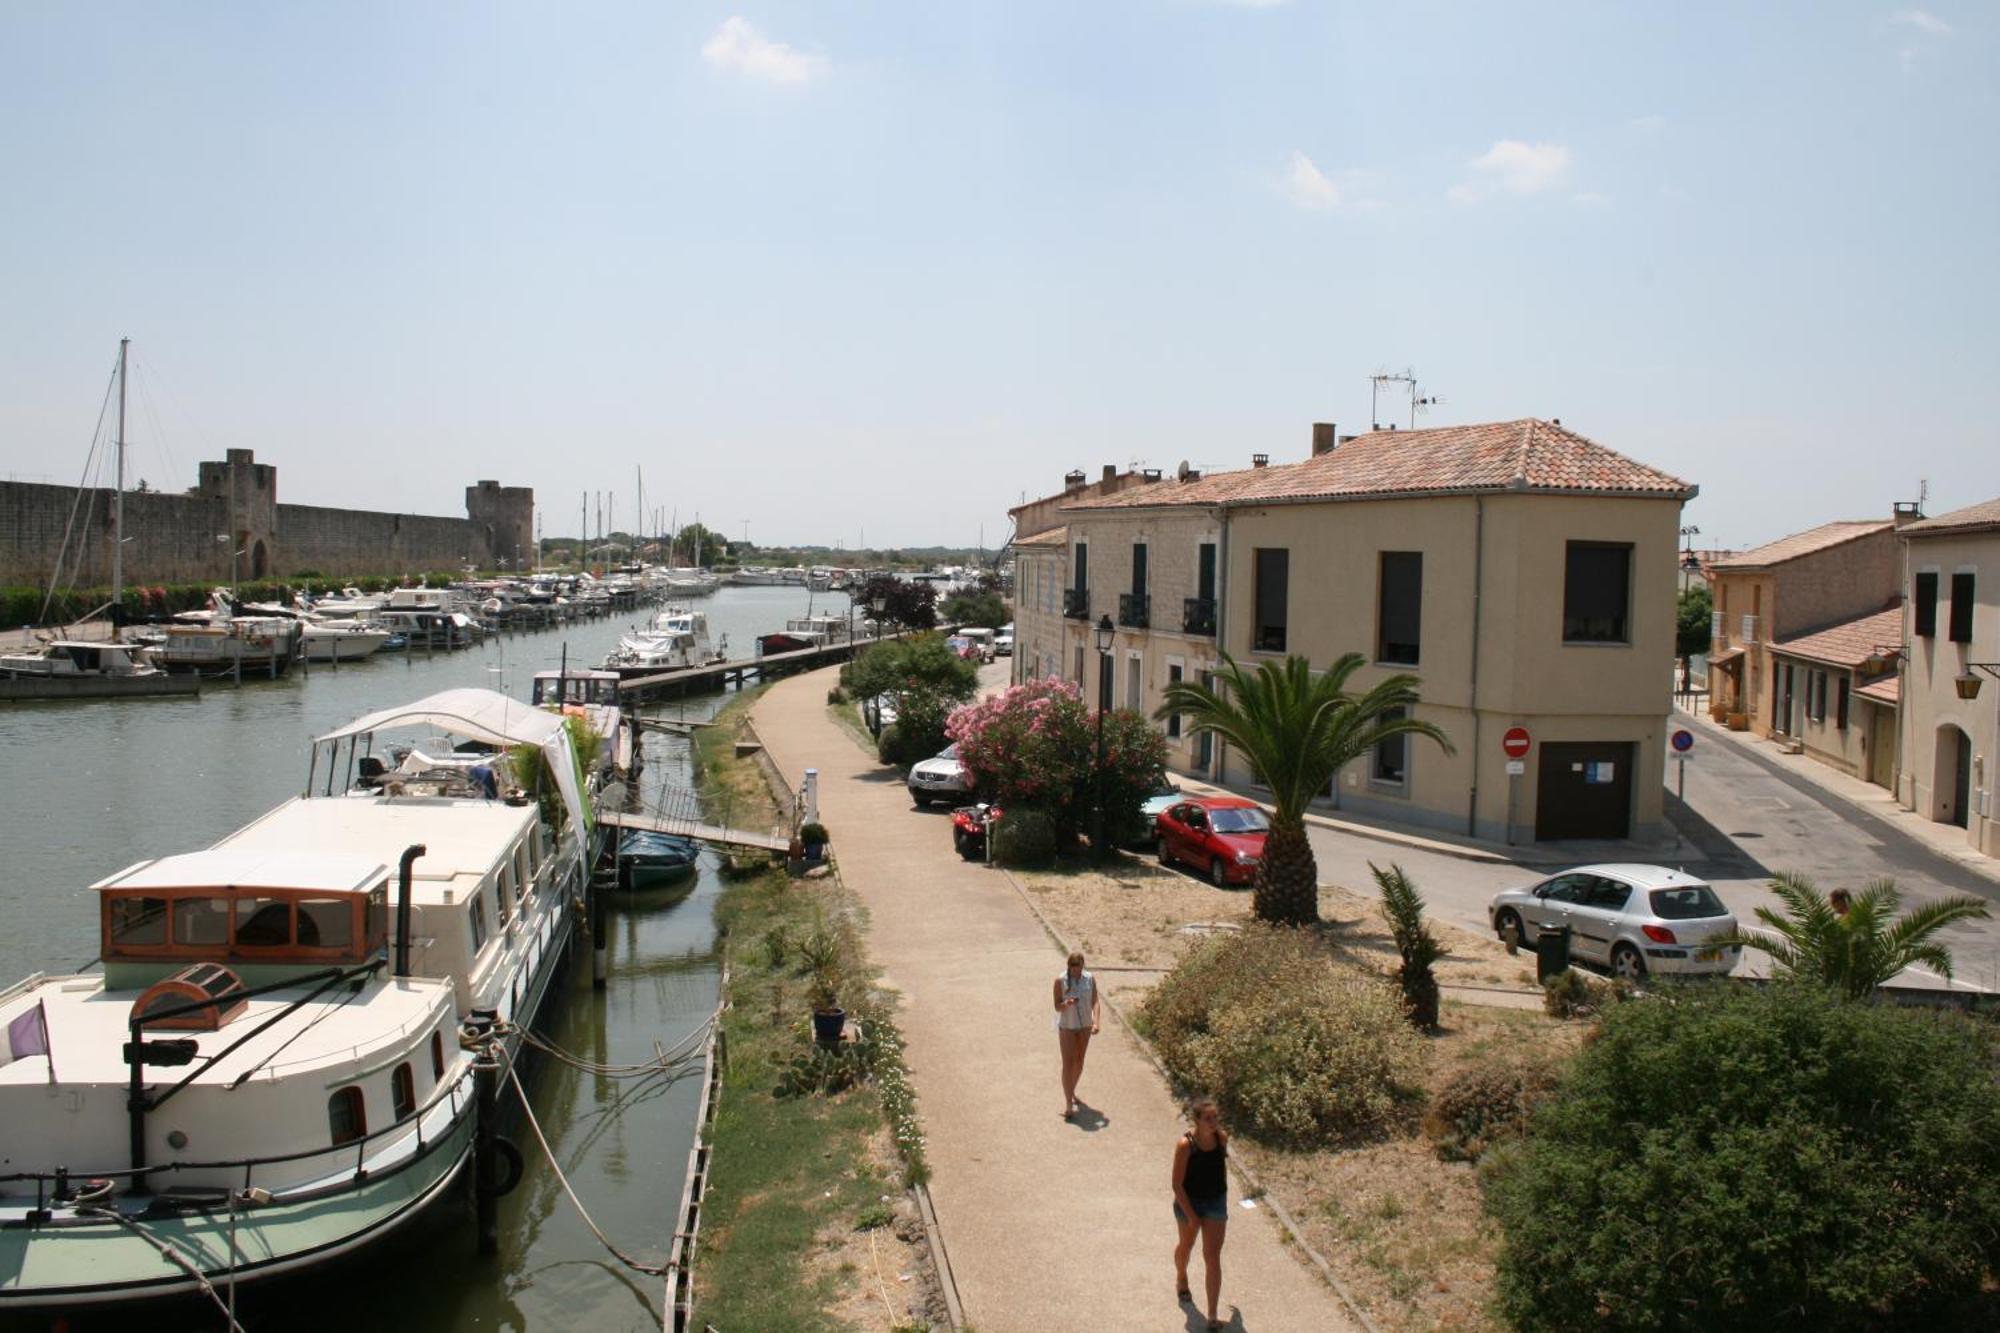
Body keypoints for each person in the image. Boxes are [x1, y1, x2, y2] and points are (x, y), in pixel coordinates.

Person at [1172, 1096, 1230, 1330]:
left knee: (1212, 1257)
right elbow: (1177, 1185)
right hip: (1189, 1203)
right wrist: (1192, 1216)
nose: (1213, 1122)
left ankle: (1213, 1316)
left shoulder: (1221, 1138)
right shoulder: (1186, 1145)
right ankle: (1181, 1277)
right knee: (1186, 1246)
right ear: (1196, 1120)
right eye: (1208, 1118)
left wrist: (1222, 1197)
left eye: (1215, 1117)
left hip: (1215, 1202)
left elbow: (1221, 1170)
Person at [1052, 951, 1100, 1118]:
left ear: (1082, 965)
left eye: (1077, 969)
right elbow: (1057, 1006)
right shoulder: (1060, 980)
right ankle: (1068, 1103)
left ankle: (1071, 1091)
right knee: (1068, 1062)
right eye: (1072, 969)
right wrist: (1066, 1003)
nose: (1075, 972)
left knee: (1079, 1061)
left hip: (1085, 1025)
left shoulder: (1090, 978)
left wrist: (1096, 1022)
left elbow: (1095, 1001)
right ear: (1069, 967)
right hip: (1067, 1026)